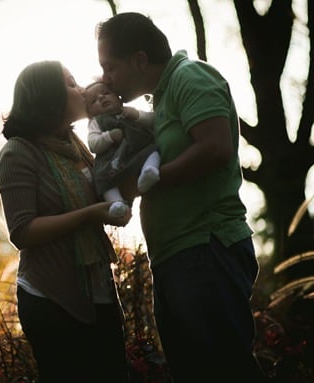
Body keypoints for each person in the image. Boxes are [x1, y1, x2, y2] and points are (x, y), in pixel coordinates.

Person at [95, 12, 268, 383]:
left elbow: (216, 147)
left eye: (110, 67)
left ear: (139, 60)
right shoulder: (161, 102)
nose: (105, 78)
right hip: (176, 257)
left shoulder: (191, 77)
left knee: (224, 369)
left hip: (205, 247)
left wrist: (153, 181)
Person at [0, 60, 130, 382]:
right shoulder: (18, 153)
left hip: (99, 290)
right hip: (51, 297)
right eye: (71, 83)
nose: (82, 89)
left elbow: (102, 190)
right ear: (49, 98)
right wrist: (92, 215)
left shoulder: (76, 145)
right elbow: (23, 230)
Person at [85, 80, 160, 218]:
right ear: (89, 114)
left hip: (137, 153)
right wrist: (109, 137)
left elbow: (154, 121)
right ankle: (116, 203)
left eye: (106, 93)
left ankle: (149, 171)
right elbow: (93, 144)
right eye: (93, 100)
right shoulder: (95, 122)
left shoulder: (128, 112)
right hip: (112, 162)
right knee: (103, 179)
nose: (101, 97)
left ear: (119, 99)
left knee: (153, 151)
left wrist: (137, 115)